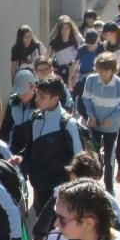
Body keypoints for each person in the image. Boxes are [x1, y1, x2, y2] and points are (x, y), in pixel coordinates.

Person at [28, 153, 120, 240]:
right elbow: (119, 224)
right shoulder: (107, 198)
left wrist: (38, 237)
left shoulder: (61, 193)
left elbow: (46, 215)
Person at [21, 75, 86, 212]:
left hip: (60, 192)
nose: (37, 99)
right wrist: (19, 159)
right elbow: (29, 151)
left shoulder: (68, 124)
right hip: (39, 188)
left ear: (55, 99)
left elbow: (80, 159)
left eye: (42, 96)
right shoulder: (35, 119)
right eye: (37, 94)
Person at [81, 53, 120, 195]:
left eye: (106, 70)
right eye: (100, 69)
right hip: (95, 125)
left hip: (111, 127)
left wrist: (113, 118)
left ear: (113, 70)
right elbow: (86, 98)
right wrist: (90, 115)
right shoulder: (91, 80)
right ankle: (91, 184)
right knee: (93, 154)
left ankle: (109, 187)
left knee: (109, 157)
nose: (103, 73)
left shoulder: (119, 84)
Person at [0, 69, 38, 154]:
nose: (20, 95)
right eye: (18, 92)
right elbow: (6, 125)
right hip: (14, 147)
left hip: (33, 149)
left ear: (33, 86)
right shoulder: (12, 101)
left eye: (23, 91)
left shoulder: (40, 103)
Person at [48, 15, 83, 89]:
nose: (65, 30)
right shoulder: (55, 42)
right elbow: (50, 58)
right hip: (61, 71)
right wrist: (50, 67)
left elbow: (80, 55)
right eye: (63, 28)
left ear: (70, 29)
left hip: (74, 70)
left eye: (67, 28)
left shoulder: (75, 40)